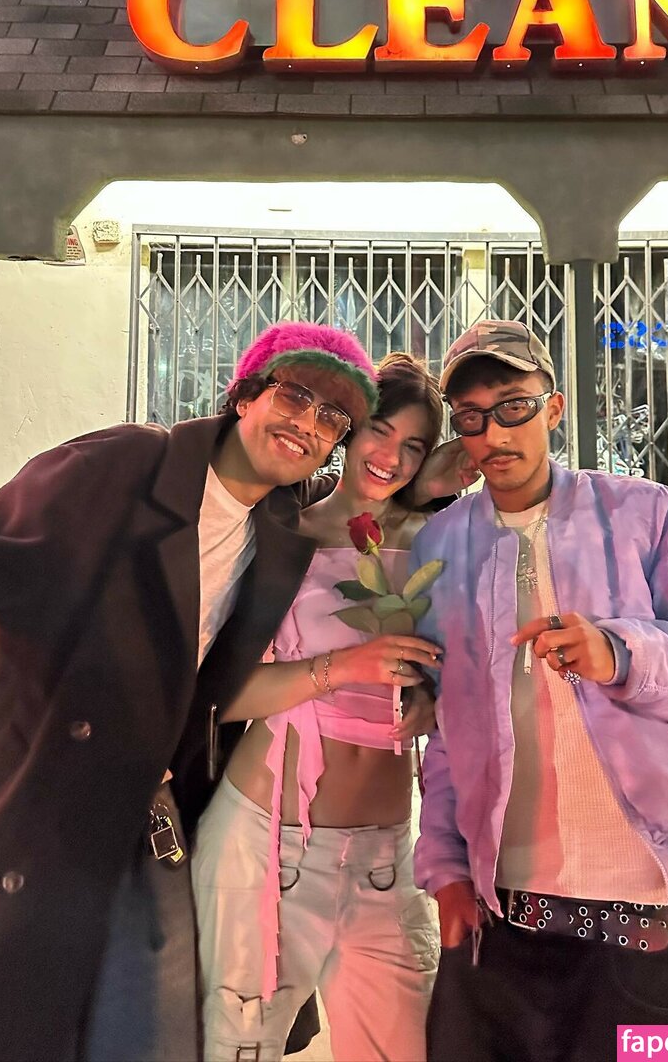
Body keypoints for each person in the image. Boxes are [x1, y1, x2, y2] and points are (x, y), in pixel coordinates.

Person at [0, 322, 380, 1062]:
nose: (308, 424)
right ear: (246, 395)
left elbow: (393, 485)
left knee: (140, 1033)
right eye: (296, 395)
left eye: (333, 418)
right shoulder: (124, 466)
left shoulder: (279, 528)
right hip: (32, 802)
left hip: (150, 819)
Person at [409, 320, 668, 1062]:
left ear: (554, 408)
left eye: (513, 407)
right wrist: (444, 868)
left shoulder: (643, 513)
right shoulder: (442, 545)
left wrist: (622, 652)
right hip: (499, 905)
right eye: (471, 417)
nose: (494, 434)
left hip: (638, 900)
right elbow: (447, 730)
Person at [192, 354, 447, 1062]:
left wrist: (432, 695)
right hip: (266, 850)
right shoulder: (282, 535)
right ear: (348, 430)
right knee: (237, 1045)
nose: (391, 457)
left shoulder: (439, 542)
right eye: (379, 432)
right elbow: (217, 695)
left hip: (386, 856)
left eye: (415, 446)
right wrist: (342, 669)